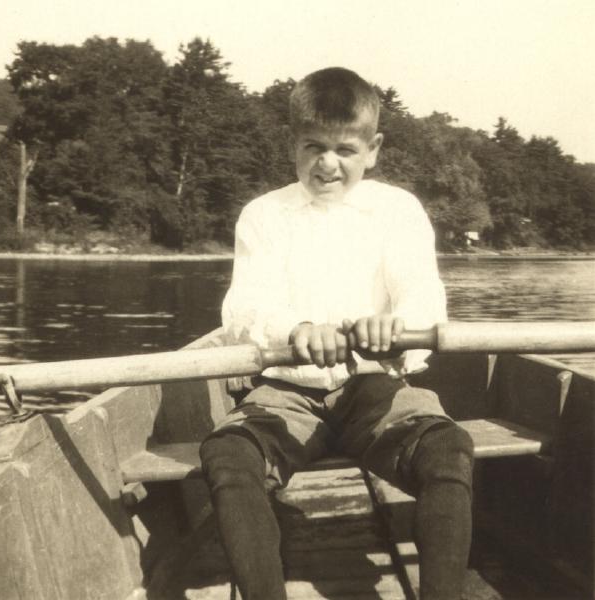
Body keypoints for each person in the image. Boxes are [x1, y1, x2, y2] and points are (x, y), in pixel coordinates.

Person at [200, 67, 474, 600]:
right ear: (293, 147)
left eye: (345, 149)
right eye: (314, 147)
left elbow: (423, 293)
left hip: (375, 388)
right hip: (285, 392)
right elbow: (245, 307)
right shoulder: (263, 215)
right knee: (227, 456)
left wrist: (394, 327)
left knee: (448, 449)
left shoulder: (397, 210)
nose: (328, 163)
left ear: (373, 150)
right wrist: (297, 330)